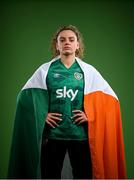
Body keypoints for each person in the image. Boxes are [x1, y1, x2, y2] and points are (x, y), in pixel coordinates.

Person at [7, 25, 126, 179]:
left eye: (71, 39)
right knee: (50, 175)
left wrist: (90, 116)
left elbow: (111, 101)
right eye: (62, 40)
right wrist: (43, 115)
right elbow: (24, 98)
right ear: (57, 45)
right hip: (53, 135)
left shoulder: (89, 72)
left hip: (80, 136)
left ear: (78, 45)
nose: (67, 42)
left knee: (83, 175)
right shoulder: (45, 70)